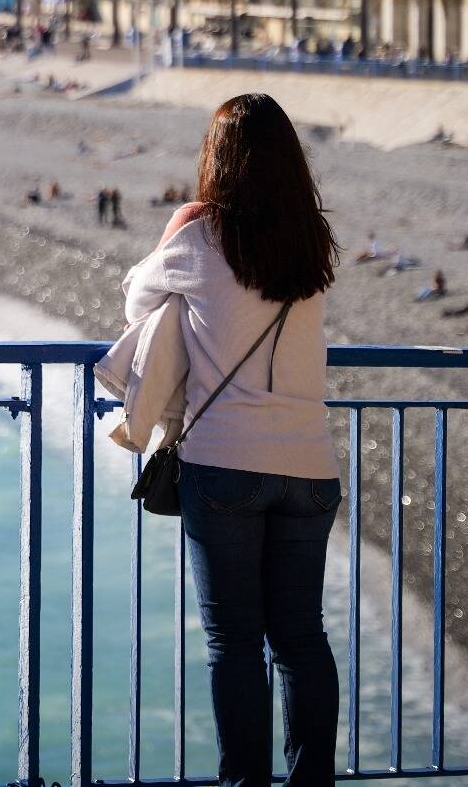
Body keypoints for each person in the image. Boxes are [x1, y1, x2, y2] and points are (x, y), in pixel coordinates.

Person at [111, 94, 341, 785]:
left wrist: (176, 226)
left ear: (219, 160)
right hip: (309, 462)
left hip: (227, 464)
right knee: (300, 639)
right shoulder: (312, 239)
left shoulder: (202, 234)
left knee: (234, 643)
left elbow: (135, 300)